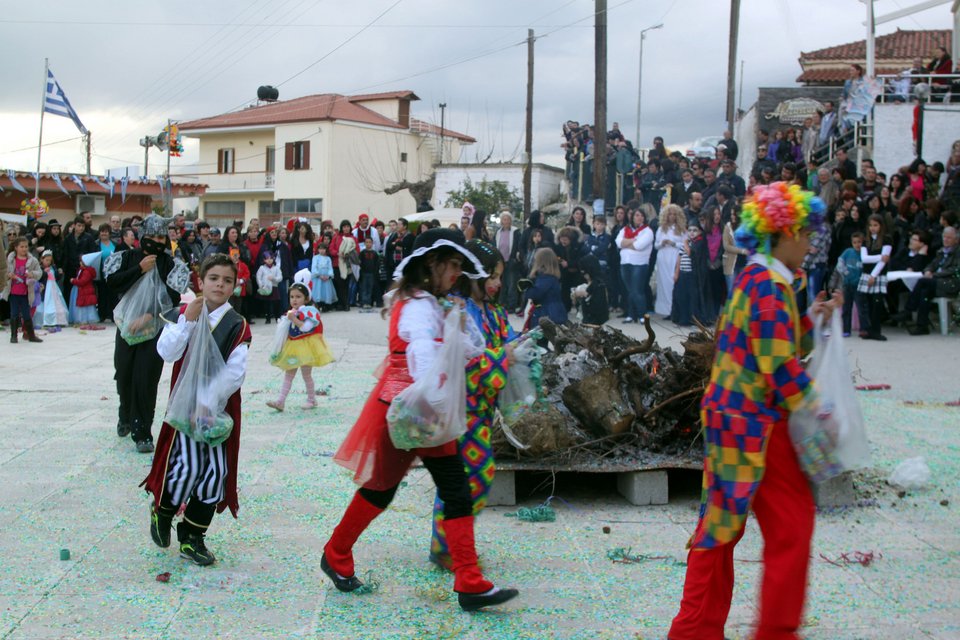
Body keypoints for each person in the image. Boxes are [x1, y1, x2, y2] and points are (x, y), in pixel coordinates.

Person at [667, 181, 840, 640]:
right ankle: (764, 632)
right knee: (789, 525)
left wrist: (810, 320)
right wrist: (819, 412)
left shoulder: (759, 279)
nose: (808, 243)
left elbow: (773, 342)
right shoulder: (766, 285)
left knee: (721, 529)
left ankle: (695, 631)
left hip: (735, 422)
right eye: (804, 233)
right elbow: (779, 365)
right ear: (783, 233)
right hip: (752, 427)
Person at [323, 227, 519, 612]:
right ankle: (337, 553)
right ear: (433, 264)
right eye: (454, 266)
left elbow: (468, 349)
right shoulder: (416, 306)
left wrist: (462, 326)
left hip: (420, 411)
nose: (457, 275)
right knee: (384, 490)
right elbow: (423, 359)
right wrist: (440, 401)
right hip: (410, 411)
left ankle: (468, 579)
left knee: (435, 489)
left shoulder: (434, 303)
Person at [142, 253, 251, 567]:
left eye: (227, 280)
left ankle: (192, 536)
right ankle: (162, 511)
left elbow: (235, 372)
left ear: (234, 286)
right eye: (213, 278)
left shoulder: (237, 324)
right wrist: (187, 321)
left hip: (216, 410)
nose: (219, 284)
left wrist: (209, 401)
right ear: (201, 281)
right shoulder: (186, 312)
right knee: (186, 466)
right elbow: (167, 351)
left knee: (215, 474)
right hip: (185, 406)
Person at [430, 240, 517, 569]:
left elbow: (507, 340)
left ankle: (449, 544)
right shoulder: (456, 309)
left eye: (499, 277)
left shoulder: (494, 311)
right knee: (470, 476)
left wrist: (522, 350)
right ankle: (448, 546)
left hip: (482, 409)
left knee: (469, 477)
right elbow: (464, 361)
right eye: (491, 276)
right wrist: (503, 359)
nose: (496, 283)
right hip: (460, 408)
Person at [106, 214, 190, 453]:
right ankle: (125, 413)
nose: (156, 240)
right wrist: (139, 270)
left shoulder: (172, 264)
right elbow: (113, 283)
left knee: (146, 378)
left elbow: (173, 297)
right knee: (124, 374)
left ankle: (142, 431)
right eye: (151, 236)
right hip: (126, 327)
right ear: (142, 236)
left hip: (154, 328)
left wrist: (150, 316)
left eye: (161, 236)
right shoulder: (125, 257)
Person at [267, 282, 334, 410]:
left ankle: (312, 399)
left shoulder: (309, 311)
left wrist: (293, 319)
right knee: (289, 374)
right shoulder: (292, 312)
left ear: (306, 298)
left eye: (298, 296)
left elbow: (306, 327)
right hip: (293, 346)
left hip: (306, 347)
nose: (294, 300)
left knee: (306, 374)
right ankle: (280, 401)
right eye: (292, 297)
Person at [892, 226, 959, 335]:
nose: (946, 240)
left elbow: (954, 270)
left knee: (923, 281)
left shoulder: (958, 253)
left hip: (950, 283)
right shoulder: (941, 251)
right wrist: (928, 271)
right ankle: (922, 326)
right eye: (944, 237)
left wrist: (934, 275)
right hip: (936, 283)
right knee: (924, 292)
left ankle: (909, 310)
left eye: (949, 238)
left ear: (956, 240)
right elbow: (931, 265)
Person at [616, 208, 654, 323]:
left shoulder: (647, 231)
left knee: (637, 290)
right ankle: (631, 315)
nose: (639, 218)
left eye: (641, 216)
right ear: (632, 217)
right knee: (630, 290)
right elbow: (618, 243)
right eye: (637, 215)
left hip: (639, 263)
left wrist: (626, 243)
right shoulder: (625, 229)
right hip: (625, 263)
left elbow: (639, 246)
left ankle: (642, 315)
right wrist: (632, 240)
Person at [858, 214, 892, 341]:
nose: (872, 228)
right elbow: (864, 259)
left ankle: (876, 330)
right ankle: (868, 329)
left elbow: (884, 261)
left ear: (881, 226)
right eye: (871, 225)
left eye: (875, 225)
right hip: (866, 273)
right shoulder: (866, 240)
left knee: (877, 303)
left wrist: (873, 275)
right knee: (868, 303)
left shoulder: (887, 239)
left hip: (878, 274)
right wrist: (880, 257)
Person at [3, 237, 43, 343]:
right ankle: (13, 336)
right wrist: (8, 275)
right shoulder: (10, 260)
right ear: (16, 247)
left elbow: (39, 273)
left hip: (26, 292)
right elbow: (3, 272)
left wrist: (32, 274)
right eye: (21, 247)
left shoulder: (33, 260)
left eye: (26, 246)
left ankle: (31, 335)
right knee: (14, 314)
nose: (24, 249)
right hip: (13, 292)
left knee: (27, 314)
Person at [524, 247, 568, 329]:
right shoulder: (552, 277)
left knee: (538, 340)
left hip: (545, 314)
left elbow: (535, 294)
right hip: (556, 311)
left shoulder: (545, 278)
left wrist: (528, 287)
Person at [654, 205, 686, 317]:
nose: (672, 216)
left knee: (672, 281)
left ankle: (674, 309)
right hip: (663, 256)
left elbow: (685, 244)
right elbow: (656, 245)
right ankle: (665, 310)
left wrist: (674, 243)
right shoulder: (661, 228)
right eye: (670, 214)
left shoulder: (681, 229)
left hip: (675, 255)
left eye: (674, 214)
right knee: (663, 283)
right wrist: (661, 243)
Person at [836, 232, 866, 336]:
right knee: (846, 308)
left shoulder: (864, 254)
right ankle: (846, 329)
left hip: (859, 285)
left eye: (859, 242)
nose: (857, 244)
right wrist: (845, 273)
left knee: (861, 308)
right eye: (855, 242)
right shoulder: (848, 252)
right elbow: (840, 262)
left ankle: (863, 329)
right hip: (847, 284)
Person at [671, 226, 701, 327]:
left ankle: (694, 321)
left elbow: (690, 253)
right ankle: (682, 320)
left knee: (692, 299)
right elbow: (679, 259)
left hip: (692, 275)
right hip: (683, 274)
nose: (692, 233)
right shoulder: (684, 245)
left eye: (695, 230)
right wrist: (676, 273)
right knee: (681, 297)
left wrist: (685, 243)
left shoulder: (697, 243)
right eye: (690, 230)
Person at [493, 212, 522, 313]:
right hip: (500, 262)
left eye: (507, 219)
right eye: (504, 219)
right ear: (501, 221)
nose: (506, 221)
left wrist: (516, 257)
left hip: (511, 261)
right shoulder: (498, 232)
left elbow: (519, 245)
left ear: (510, 220)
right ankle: (502, 303)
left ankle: (511, 306)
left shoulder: (516, 232)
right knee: (502, 283)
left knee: (511, 284)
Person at [35, 250, 68, 330]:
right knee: (42, 305)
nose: (48, 262)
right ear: (42, 259)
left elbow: (56, 277)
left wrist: (59, 273)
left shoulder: (53, 267)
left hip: (53, 290)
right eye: (46, 260)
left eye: (50, 260)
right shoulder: (39, 268)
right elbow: (38, 278)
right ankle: (43, 320)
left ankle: (57, 320)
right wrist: (44, 273)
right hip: (44, 289)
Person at [554, 227, 584, 313]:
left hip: (576, 271)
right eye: (561, 239)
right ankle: (566, 308)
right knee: (565, 291)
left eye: (566, 240)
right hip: (564, 272)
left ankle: (579, 308)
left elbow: (580, 259)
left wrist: (569, 264)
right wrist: (560, 261)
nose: (563, 241)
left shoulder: (578, 246)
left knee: (578, 290)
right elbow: (556, 256)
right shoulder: (558, 247)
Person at [572, 254, 609, 325]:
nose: (583, 276)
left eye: (584, 273)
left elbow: (589, 294)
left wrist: (582, 293)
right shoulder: (596, 281)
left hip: (594, 318)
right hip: (591, 317)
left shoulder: (597, 283)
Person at [68, 256, 99, 325]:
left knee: (84, 306)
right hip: (83, 291)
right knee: (85, 305)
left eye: (82, 261)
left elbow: (82, 282)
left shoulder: (86, 271)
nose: (80, 263)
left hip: (84, 291)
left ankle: (84, 320)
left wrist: (73, 281)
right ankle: (84, 320)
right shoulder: (82, 270)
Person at [255, 251, 283, 323]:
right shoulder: (261, 268)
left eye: (271, 258)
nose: (269, 260)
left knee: (276, 303)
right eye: (267, 258)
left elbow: (280, 277)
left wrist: (274, 278)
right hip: (265, 288)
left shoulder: (276, 268)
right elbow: (258, 277)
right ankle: (268, 318)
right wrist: (261, 285)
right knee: (267, 303)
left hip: (274, 287)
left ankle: (277, 317)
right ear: (264, 260)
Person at [310, 243, 337, 312]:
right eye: (320, 249)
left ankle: (326, 306)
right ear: (318, 249)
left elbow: (330, 268)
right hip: (318, 278)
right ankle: (318, 305)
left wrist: (329, 275)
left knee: (326, 291)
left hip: (326, 277)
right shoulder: (315, 257)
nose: (322, 250)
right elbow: (314, 267)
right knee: (318, 291)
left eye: (323, 249)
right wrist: (318, 275)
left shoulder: (328, 258)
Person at [358, 237, 381, 309]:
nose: (368, 244)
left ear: (372, 243)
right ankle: (364, 302)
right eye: (366, 242)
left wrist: (376, 272)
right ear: (364, 243)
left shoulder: (375, 253)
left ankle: (369, 302)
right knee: (364, 288)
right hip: (364, 273)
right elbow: (359, 263)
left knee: (370, 288)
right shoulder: (362, 253)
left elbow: (377, 264)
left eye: (370, 242)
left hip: (372, 274)